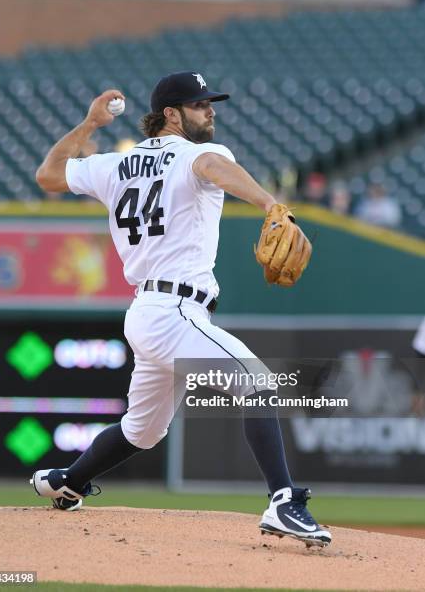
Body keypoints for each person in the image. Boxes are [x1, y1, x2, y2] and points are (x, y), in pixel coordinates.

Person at [30, 71, 331, 548]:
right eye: (199, 104)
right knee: (256, 382)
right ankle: (284, 501)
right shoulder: (197, 154)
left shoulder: (113, 165)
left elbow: (47, 175)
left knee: (141, 432)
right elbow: (213, 167)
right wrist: (270, 203)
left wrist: (89, 125)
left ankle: (66, 480)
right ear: (171, 114)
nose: (210, 110)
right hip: (174, 310)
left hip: (147, 312)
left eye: (209, 103)